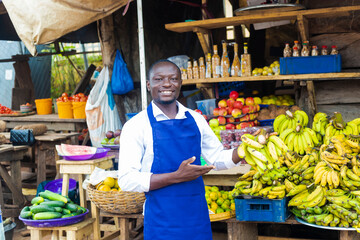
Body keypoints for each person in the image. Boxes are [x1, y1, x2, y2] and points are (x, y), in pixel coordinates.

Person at [118, 59, 243, 240]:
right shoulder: (136, 126)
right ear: (148, 84)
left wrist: (242, 152)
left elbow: (215, 159)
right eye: (159, 79)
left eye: (173, 79)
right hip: (162, 222)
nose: (167, 84)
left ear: (180, 83)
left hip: (197, 218)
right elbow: (126, 179)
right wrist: (176, 176)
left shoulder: (196, 119)